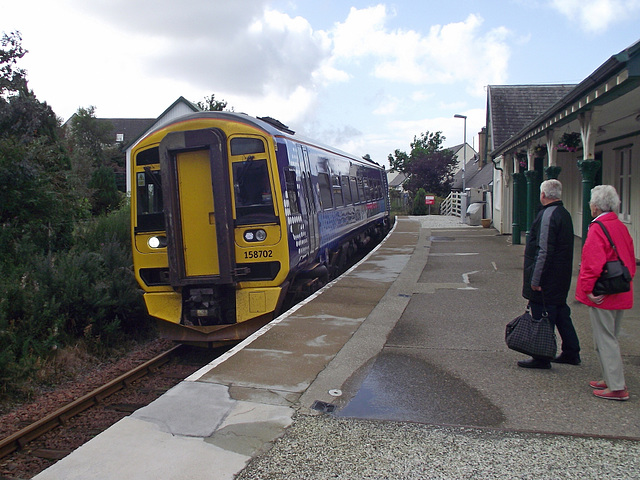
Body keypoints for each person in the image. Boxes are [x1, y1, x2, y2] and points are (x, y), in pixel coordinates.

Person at [576, 185, 635, 401]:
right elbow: (630, 256)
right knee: (610, 335)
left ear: (596, 206)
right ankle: (609, 377)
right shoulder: (619, 226)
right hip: (620, 287)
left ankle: (617, 386)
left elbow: (592, 262)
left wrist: (588, 288)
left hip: (604, 291)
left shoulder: (598, 227)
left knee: (605, 338)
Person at [519, 179, 581, 369]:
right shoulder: (564, 214)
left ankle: (541, 356)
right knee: (561, 312)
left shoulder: (548, 215)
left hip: (547, 277)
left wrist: (535, 279)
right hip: (561, 275)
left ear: (543, 195)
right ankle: (571, 351)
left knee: (541, 313)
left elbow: (544, 250)